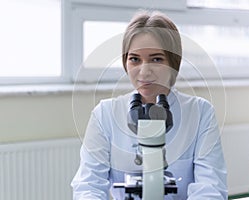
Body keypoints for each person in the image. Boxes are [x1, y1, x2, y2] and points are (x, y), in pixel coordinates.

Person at [71, 10, 227, 200]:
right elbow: (88, 186)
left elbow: (210, 189)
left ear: (173, 63)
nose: (144, 72)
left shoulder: (201, 112)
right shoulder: (105, 114)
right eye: (135, 59)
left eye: (156, 59)